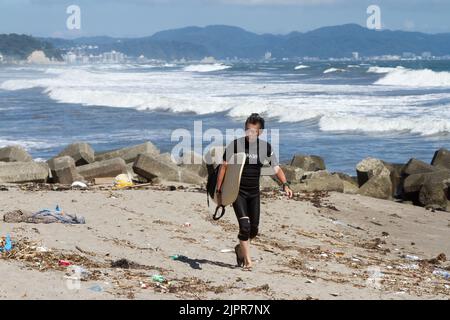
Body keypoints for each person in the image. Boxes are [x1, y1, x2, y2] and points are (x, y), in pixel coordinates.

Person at [216, 113, 293, 271]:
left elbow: (276, 168)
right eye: (247, 130)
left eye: (253, 131)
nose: (249, 133)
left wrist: (285, 184)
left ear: (260, 132)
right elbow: (223, 167)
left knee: (254, 229)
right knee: (244, 227)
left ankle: (239, 248)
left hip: (254, 193)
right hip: (238, 192)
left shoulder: (265, 147)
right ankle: (248, 260)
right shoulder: (235, 145)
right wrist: (219, 190)